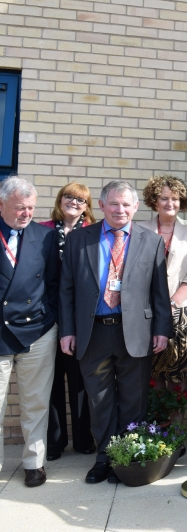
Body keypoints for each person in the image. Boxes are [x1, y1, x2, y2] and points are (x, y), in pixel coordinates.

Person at [59, 180, 173, 484]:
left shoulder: (151, 241)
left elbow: (159, 292)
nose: (120, 209)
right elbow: (66, 290)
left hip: (135, 332)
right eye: (113, 203)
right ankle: (105, 459)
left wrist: (162, 329)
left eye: (126, 204)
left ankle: (128, 458)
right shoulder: (78, 240)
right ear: (101, 205)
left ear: (135, 207)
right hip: (93, 332)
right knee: (99, 401)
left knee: (134, 400)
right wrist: (67, 331)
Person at [0, 178, 60, 488]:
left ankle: (34, 463)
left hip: (37, 330)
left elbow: (54, 283)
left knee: (36, 403)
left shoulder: (45, 236)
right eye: (20, 208)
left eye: (31, 208)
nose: (26, 214)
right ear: (1, 205)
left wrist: (50, 319)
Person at [136, 175, 187, 402]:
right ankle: (156, 424)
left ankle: (176, 424)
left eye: (175, 198)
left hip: (182, 311)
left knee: (178, 375)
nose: (170, 203)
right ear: (154, 200)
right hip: (148, 312)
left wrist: (172, 302)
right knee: (153, 374)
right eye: (164, 198)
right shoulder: (139, 229)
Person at [41, 183, 97, 462]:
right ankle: (55, 441)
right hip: (47, 317)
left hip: (80, 319)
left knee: (79, 381)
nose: (74, 202)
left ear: (87, 206)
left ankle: (83, 439)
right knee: (51, 382)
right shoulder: (42, 231)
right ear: (59, 199)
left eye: (80, 199)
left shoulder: (93, 234)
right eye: (69, 197)